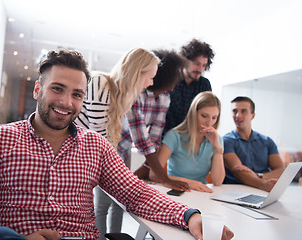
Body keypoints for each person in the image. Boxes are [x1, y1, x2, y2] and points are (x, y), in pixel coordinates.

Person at [0, 49, 234, 240]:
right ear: (38, 89)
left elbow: (136, 194)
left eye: (77, 94)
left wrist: (189, 215)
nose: (67, 102)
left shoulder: (96, 146)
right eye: (57, 89)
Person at [74, 48, 188, 240]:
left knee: (118, 202)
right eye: (150, 77)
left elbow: (121, 142)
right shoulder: (100, 84)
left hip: (105, 155)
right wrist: (129, 179)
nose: (152, 82)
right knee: (101, 205)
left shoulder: (123, 97)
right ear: (137, 73)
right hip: (79, 157)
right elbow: (99, 141)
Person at [118, 49, 187, 182]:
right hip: (113, 147)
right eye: (176, 74)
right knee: (105, 198)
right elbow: (142, 140)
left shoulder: (165, 98)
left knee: (120, 194)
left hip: (125, 150)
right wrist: (164, 178)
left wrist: (145, 169)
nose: (179, 79)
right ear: (166, 75)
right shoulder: (137, 94)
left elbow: (155, 137)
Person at [149, 92, 225, 192]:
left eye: (214, 118)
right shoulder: (174, 136)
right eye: (204, 116)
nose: (209, 123)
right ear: (194, 114)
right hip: (177, 191)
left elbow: (218, 181)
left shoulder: (217, 139)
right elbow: (153, 174)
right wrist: (188, 182)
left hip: (201, 194)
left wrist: (217, 148)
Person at [223, 96, 285, 192]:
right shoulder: (226, 141)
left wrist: (259, 176)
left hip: (263, 190)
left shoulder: (267, 141)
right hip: (235, 191)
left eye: (243, 111)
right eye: (235, 111)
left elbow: (280, 170)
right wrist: (263, 184)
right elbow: (238, 171)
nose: (238, 115)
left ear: (253, 115)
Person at [163, 39, 215, 136]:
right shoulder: (170, 79)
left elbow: (207, 113)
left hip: (189, 140)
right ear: (185, 61)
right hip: (165, 137)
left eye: (204, 65)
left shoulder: (204, 85)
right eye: (197, 63)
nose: (200, 69)